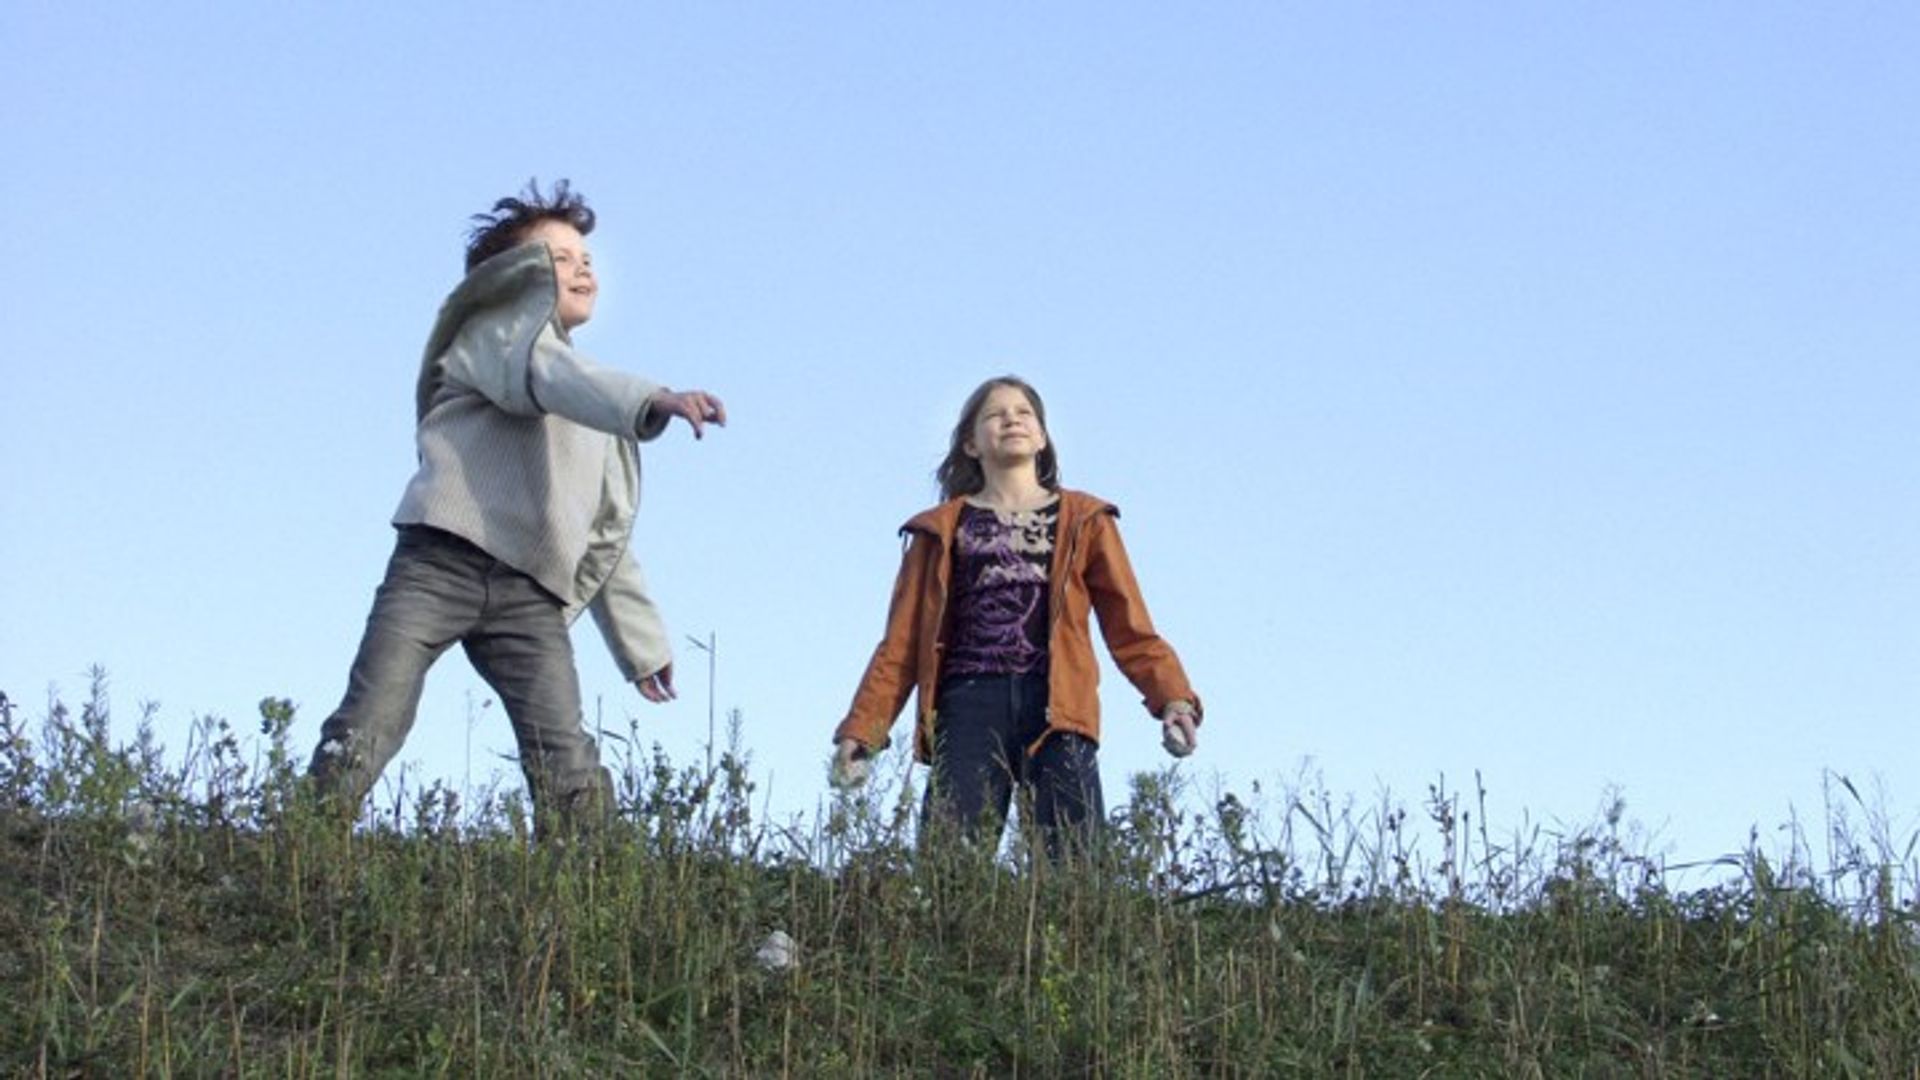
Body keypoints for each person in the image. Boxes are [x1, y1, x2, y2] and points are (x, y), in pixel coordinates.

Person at [307, 179, 726, 838]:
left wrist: (642, 644)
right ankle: (307, 840)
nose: (582, 269)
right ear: (514, 276)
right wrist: (655, 399)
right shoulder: (492, 337)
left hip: (529, 597)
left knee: (565, 758)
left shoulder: (595, 403)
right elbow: (546, 373)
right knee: (374, 713)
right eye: (558, 258)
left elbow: (606, 533)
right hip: (439, 563)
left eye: (586, 258)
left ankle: (587, 876)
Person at [831, 376, 1201, 858]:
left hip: (1058, 704)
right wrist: (863, 730)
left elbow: (1128, 624)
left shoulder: (1084, 519)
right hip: (967, 704)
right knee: (950, 864)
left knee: (1075, 863)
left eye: (1024, 413)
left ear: (1042, 437)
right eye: (995, 414)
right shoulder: (939, 529)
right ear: (971, 443)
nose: (1012, 420)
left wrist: (1173, 698)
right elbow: (900, 644)